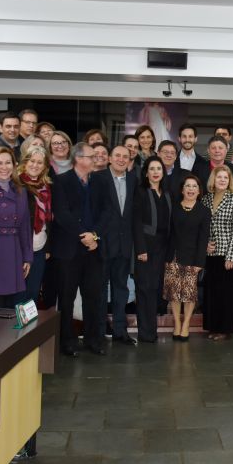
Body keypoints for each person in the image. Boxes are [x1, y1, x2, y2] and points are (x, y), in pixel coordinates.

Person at [50, 142, 104, 356]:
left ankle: (93, 339)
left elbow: (107, 213)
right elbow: (62, 214)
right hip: (69, 249)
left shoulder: (99, 182)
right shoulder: (61, 181)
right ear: (79, 159)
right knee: (66, 297)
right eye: (92, 156)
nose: (96, 160)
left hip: (94, 248)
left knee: (93, 296)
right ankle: (67, 341)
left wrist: (95, 236)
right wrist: (84, 235)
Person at [94, 145, 138, 344]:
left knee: (121, 289)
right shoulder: (98, 179)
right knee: (100, 290)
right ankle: (100, 331)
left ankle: (120, 331)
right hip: (102, 244)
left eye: (125, 157)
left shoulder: (134, 180)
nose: (121, 159)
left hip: (124, 244)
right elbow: (93, 212)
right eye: (117, 156)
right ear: (109, 158)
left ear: (130, 160)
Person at [0, 147, 32, 308]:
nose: (4, 167)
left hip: (13, 252)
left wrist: (27, 257)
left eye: (8, 162)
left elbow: (25, 226)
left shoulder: (21, 191)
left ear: (14, 165)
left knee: (10, 304)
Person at [165, 174, 210, 341]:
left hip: (193, 258)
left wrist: (200, 262)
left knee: (189, 294)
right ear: (182, 190)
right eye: (188, 186)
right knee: (174, 293)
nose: (191, 189)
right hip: (173, 256)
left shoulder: (204, 211)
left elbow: (203, 238)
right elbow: (169, 234)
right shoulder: (174, 208)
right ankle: (177, 323)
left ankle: (186, 325)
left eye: (194, 186)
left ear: (199, 191)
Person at [201, 165, 233, 340]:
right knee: (211, 293)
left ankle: (225, 329)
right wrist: (204, 245)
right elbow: (201, 227)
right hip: (210, 255)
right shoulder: (205, 199)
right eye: (219, 177)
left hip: (227, 255)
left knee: (226, 294)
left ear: (229, 180)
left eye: (225, 178)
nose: (222, 180)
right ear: (213, 178)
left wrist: (232, 256)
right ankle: (213, 327)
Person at [132, 156, 171, 343]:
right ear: (146, 173)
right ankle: (145, 332)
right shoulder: (140, 192)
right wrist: (140, 248)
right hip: (146, 246)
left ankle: (152, 331)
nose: (156, 172)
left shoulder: (167, 193)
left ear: (163, 172)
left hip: (163, 247)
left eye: (159, 169)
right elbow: (136, 222)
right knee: (144, 288)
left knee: (155, 289)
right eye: (152, 169)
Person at [17, 146, 53, 304]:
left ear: (45, 167)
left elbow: (49, 221)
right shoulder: (16, 185)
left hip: (40, 248)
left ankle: (28, 329)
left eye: (40, 162)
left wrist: (47, 247)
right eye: (32, 161)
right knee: (19, 294)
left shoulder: (47, 187)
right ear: (25, 162)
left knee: (32, 294)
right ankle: (14, 329)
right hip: (20, 249)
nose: (35, 165)